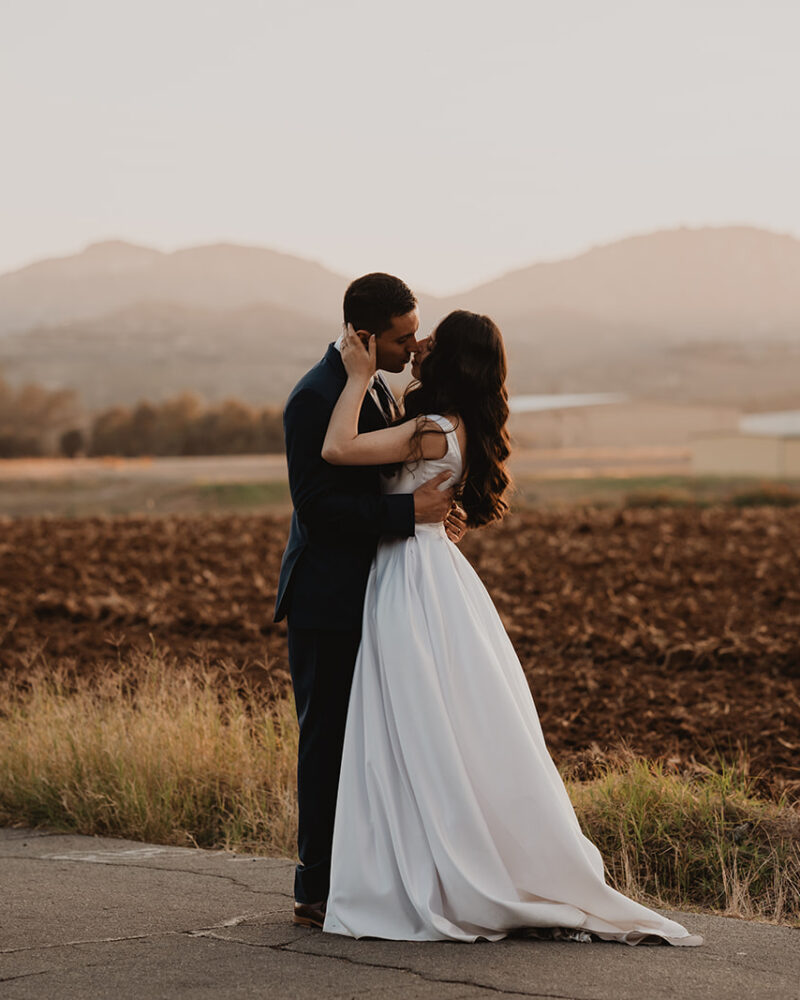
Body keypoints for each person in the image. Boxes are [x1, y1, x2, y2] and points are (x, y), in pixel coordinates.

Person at [317, 311, 703, 946]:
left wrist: (357, 376)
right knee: (438, 719)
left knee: (412, 719)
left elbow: (337, 449)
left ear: (453, 360)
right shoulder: (459, 426)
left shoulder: (432, 428)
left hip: (409, 576)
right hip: (435, 569)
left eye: (433, 341)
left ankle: (434, 869)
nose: (420, 347)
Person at [274, 273, 466, 929]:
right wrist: (406, 510)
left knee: (375, 740)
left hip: (381, 593)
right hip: (328, 597)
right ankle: (316, 888)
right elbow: (318, 506)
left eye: (416, 333)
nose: (414, 346)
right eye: (401, 337)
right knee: (327, 739)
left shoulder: (375, 385)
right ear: (363, 336)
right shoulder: (314, 397)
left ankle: (372, 873)